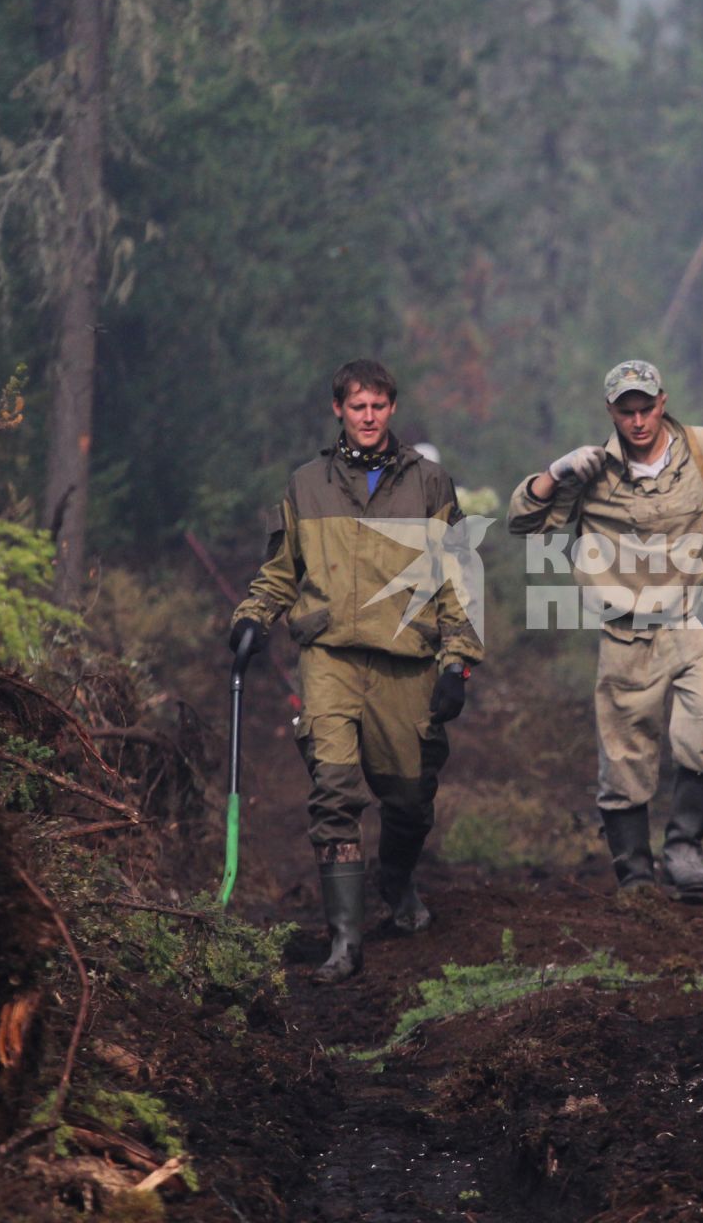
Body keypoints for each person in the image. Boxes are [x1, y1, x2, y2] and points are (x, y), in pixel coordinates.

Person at [230, 359, 483, 984]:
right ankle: (344, 942)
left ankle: (396, 879)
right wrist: (253, 618)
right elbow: (281, 569)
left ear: (391, 409)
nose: (367, 417)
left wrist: (458, 661)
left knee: (408, 797)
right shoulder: (307, 484)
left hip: (407, 663)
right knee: (334, 792)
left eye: (378, 406)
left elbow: (458, 579)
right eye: (356, 406)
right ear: (338, 410)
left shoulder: (429, 484)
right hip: (330, 658)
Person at [508, 360, 703, 894]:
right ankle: (635, 872)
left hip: (698, 616)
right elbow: (524, 523)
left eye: (646, 408)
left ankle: (684, 845)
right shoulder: (592, 470)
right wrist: (555, 474)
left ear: (663, 402)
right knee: (624, 754)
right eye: (627, 411)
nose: (638, 421)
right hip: (627, 625)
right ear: (611, 412)